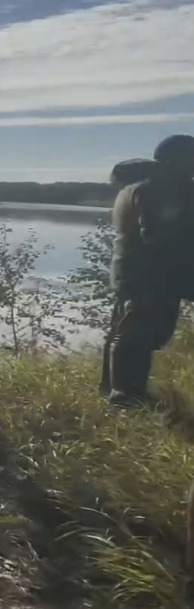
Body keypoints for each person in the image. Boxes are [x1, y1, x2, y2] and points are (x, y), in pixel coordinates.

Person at [103, 135, 194, 408]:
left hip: (141, 273)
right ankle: (124, 398)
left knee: (136, 333)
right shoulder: (157, 188)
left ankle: (121, 391)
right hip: (150, 276)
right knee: (136, 336)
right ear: (179, 160)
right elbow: (158, 235)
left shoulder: (148, 186)